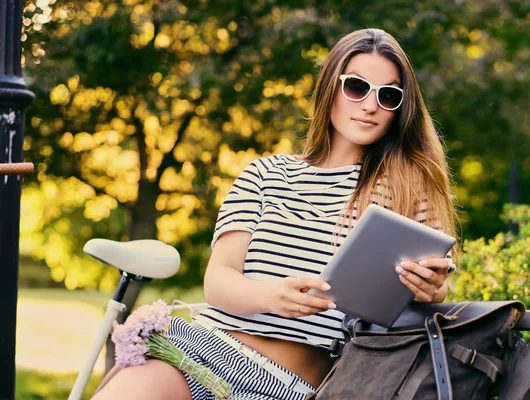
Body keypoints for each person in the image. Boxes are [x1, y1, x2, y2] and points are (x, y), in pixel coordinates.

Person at [92, 27, 458, 400]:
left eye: (388, 95)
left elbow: (433, 288)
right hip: (199, 352)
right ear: (331, 87)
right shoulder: (265, 173)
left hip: (294, 387)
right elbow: (218, 280)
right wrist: (271, 296)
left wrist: (433, 289)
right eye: (357, 87)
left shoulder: (409, 190)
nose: (370, 104)